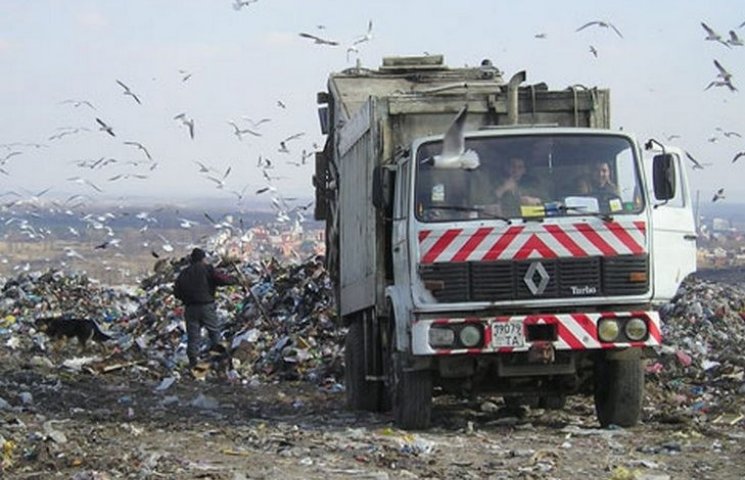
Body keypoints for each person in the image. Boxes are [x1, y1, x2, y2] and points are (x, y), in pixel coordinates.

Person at [173, 248, 238, 368]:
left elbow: (176, 292)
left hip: (190, 309)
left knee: (193, 337)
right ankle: (220, 362)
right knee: (214, 333)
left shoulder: (184, 273)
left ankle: (194, 364)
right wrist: (234, 280)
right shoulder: (207, 269)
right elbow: (221, 279)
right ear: (202, 258)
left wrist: (185, 299)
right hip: (206, 307)